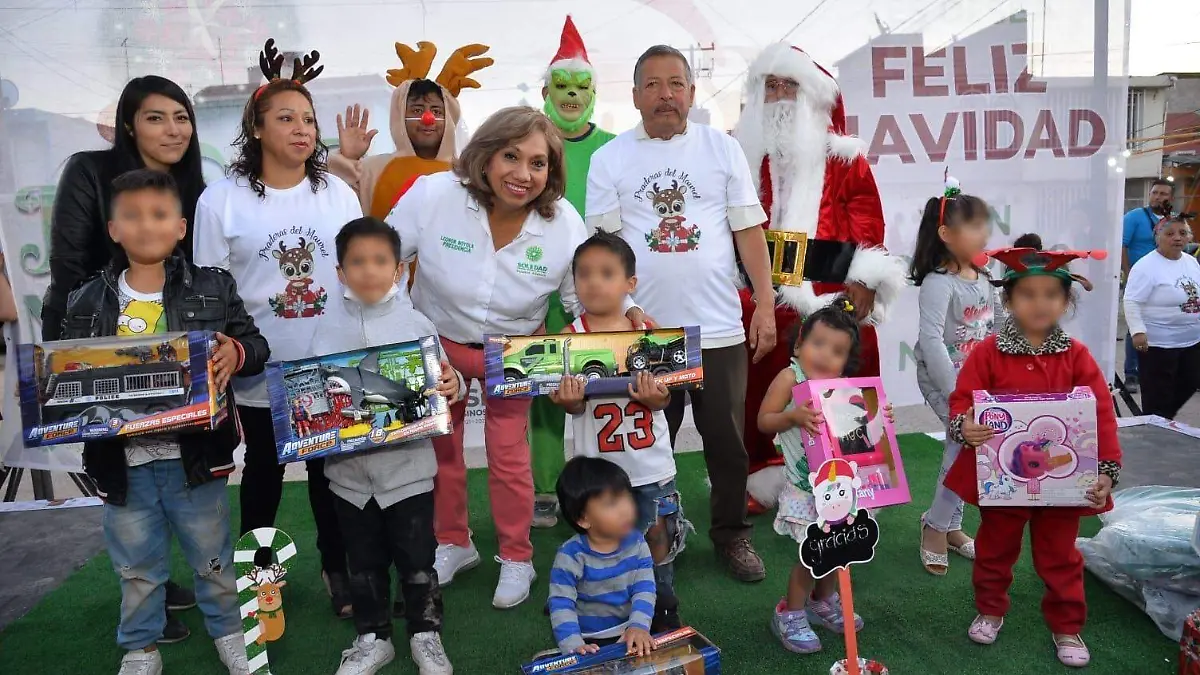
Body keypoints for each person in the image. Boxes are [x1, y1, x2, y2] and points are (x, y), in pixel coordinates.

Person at [385, 106, 648, 609]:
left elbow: (582, 295)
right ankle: (453, 543)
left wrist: (629, 310)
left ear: (551, 171)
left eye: (538, 163)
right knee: (443, 452)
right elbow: (387, 258)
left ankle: (516, 556)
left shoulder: (563, 222)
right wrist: (407, 333)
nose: (523, 174)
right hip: (437, 343)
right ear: (486, 154)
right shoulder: (434, 195)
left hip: (515, 352)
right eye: (511, 156)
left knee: (509, 454)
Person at [61, 169, 268, 675]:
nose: (145, 225)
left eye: (158, 214)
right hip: (122, 465)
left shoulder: (213, 287)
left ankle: (228, 632)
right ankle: (140, 647)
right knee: (135, 568)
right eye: (132, 215)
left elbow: (257, 346)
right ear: (113, 228)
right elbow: (63, 376)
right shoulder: (85, 300)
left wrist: (234, 354)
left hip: (196, 459)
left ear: (180, 226)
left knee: (213, 559)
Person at [586, 45, 775, 583]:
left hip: (718, 328)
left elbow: (747, 231)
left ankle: (732, 535)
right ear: (636, 95)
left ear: (692, 93)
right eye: (653, 84)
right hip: (647, 331)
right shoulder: (611, 158)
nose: (665, 94)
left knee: (727, 445)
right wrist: (624, 308)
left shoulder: (722, 149)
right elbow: (602, 246)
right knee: (649, 443)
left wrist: (763, 302)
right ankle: (653, 533)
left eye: (676, 84)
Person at [192, 39, 360, 619]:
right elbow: (207, 293)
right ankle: (261, 579)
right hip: (259, 367)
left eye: (309, 119)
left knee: (327, 475)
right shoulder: (222, 201)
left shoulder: (337, 192)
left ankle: (337, 571)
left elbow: (355, 273)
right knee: (263, 475)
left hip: (327, 363)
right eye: (286, 117)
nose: (302, 129)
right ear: (257, 128)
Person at [43, 73, 204, 641]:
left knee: (173, 471)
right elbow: (68, 270)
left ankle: (161, 583)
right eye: (156, 117)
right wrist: (105, 351)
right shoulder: (89, 170)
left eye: (181, 116)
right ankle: (145, 605)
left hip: (170, 356)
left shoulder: (191, 183)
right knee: (123, 474)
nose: (172, 128)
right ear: (130, 123)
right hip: (100, 352)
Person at [730, 42, 905, 515]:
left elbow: (867, 218)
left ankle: (860, 474)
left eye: (791, 84)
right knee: (760, 387)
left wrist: (866, 279)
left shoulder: (844, 158)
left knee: (848, 380)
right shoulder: (741, 158)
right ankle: (762, 474)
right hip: (763, 293)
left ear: (813, 95)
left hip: (831, 292)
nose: (782, 94)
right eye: (772, 85)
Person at [942, 244, 1120, 668]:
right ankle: (990, 608)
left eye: (1050, 295)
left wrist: (1107, 470)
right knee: (995, 549)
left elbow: (1101, 415)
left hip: (1064, 484)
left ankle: (1067, 624)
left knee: (1061, 555)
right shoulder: (987, 353)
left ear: (1065, 300)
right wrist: (964, 426)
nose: (1039, 304)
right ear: (1008, 299)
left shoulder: (1076, 355)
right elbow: (961, 402)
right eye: (1027, 294)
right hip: (1004, 481)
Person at [312, 218, 462, 675]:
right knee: (364, 565)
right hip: (349, 480)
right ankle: (372, 637)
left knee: (418, 562)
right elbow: (314, 398)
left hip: (409, 475)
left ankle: (425, 633)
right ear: (340, 272)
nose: (369, 271)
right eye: (357, 262)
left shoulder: (418, 324)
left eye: (380, 261)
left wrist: (451, 383)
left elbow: (445, 380)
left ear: (398, 270)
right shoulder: (324, 331)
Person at [549, 231, 690, 632]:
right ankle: (603, 609)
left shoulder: (649, 332)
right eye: (584, 274)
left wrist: (654, 397)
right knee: (604, 543)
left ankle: (664, 607)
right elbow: (571, 407)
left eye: (607, 273)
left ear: (630, 284)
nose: (594, 282)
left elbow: (666, 400)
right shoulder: (568, 339)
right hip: (600, 468)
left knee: (657, 539)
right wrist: (570, 399)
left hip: (649, 463)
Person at [757, 298, 892, 654]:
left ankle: (823, 601)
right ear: (799, 343)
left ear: (846, 360)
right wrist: (792, 417)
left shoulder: (846, 387)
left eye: (836, 351)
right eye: (817, 344)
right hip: (805, 489)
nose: (824, 355)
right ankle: (791, 612)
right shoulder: (790, 376)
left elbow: (860, 438)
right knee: (811, 553)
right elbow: (763, 419)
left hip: (841, 490)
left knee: (839, 549)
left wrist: (878, 416)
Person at [530, 14, 619, 530]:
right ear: (546, 89)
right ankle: (545, 489)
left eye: (579, 86)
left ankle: (606, 482)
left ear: (593, 91)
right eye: (561, 86)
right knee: (546, 388)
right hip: (540, 285)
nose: (570, 94)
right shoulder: (529, 145)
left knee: (604, 382)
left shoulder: (614, 146)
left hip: (602, 287)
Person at [909, 180, 996, 575]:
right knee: (962, 444)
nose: (985, 235)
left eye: (985, 226)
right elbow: (931, 341)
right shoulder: (937, 283)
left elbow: (995, 331)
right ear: (946, 234)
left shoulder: (984, 276)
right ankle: (935, 527)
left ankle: (951, 524)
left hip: (981, 383)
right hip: (947, 380)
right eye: (975, 226)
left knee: (972, 448)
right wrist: (960, 393)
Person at [329, 41, 493, 219]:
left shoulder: (466, 175)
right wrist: (347, 158)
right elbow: (335, 202)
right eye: (417, 110)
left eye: (437, 111)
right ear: (400, 116)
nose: (427, 119)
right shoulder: (371, 170)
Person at [549, 456, 656, 657]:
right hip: (591, 635)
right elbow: (561, 603)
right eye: (611, 503)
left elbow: (644, 588)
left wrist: (639, 626)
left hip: (629, 624)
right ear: (583, 519)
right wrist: (573, 645)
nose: (626, 509)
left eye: (626, 498)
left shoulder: (638, 542)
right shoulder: (570, 555)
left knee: (665, 598)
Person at [1124, 215, 1200, 419]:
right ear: (1158, 237)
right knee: (1158, 393)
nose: (1177, 238)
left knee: (1191, 381)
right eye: (1170, 234)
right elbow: (1131, 300)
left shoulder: (1191, 262)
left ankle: (1163, 418)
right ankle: (1155, 426)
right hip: (1158, 344)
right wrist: (1138, 332)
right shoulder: (1146, 266)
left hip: (1191, 340)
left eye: (1183, 233)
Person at [1121, 178, 1174, 393]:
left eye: (1163, 194)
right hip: (1139, 280)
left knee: (1163, 323)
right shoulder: (1134, 217)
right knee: (1136, 325)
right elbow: (1122, 244)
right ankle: (1131, 373)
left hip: (1166, 283)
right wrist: (1127, 273)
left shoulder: (1173, 221)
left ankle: (1156, 371)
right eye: (1155, 193)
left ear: (1170, 198)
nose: (1158, 197)